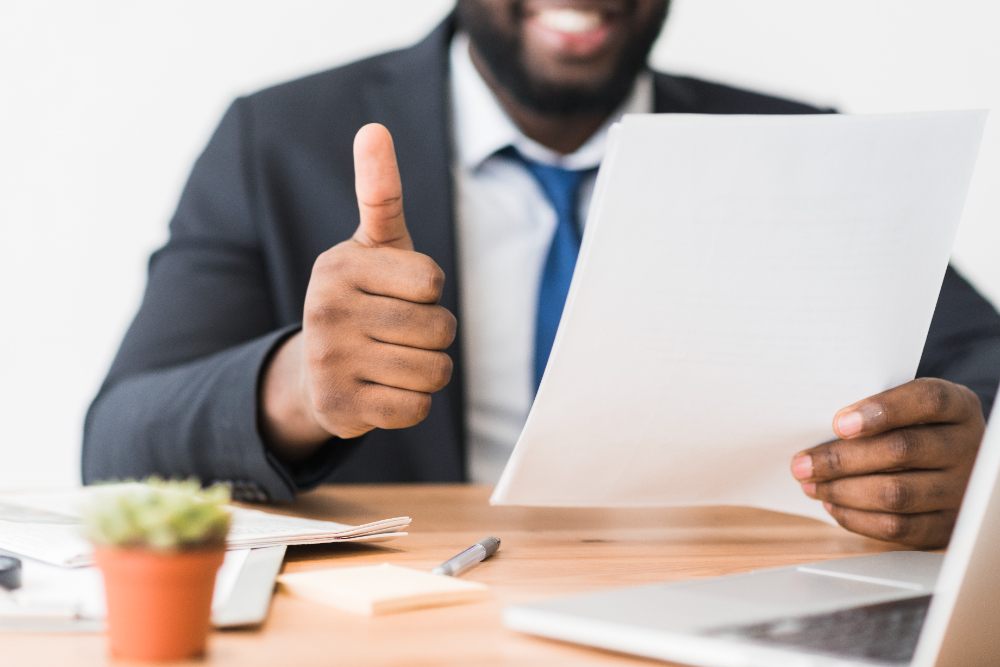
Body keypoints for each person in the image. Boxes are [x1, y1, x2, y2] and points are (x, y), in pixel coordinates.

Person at [83, 0, 1000, 548]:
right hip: (414, 621)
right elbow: (116, 445)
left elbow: (985, 370)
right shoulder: (272, 139)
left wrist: (964, 460)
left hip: (719, 598)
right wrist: (298, 386)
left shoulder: (805, 149)